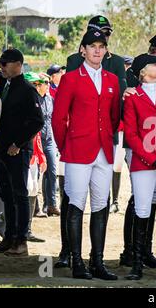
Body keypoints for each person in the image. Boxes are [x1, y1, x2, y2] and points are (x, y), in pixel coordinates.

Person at [55, 15, 127, 269]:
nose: (97, 51)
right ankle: (76, 262)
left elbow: (114, 115)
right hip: (77, 150)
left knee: (100, 204)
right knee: (75, 203)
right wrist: (67, 146)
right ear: (82, 51)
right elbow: (58, 118)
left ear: (105, 51)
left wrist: (108, 140)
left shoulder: (112, 80)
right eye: (92, 47)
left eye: (101, 47)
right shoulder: (70, 78)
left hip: (104, 151)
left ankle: (97, 262)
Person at [118, 33, 156, 269]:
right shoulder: (134, 83)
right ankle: (131, 251)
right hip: (142, 147)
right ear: (153, 51)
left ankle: (145, 250)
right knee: (140, 201)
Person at [0, 48, 44, 257]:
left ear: (18, 64)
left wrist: (18, 143)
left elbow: (37, 121)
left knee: (19, 195)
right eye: (0, 64)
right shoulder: (4, 88)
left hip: (18, 150)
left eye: (4, 63)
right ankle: (9, 238)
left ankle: (21, 240)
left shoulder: (27, 89)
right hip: (2, 147)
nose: (1, 67)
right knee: (6, 194)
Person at [31, 72, 60, 217]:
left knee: (52, 172)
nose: (48, 86)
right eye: (46, 83)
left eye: (49, 83)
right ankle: (35, 207)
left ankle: (51, 205)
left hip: (49, 139)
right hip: (36, 139)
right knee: (36, 173)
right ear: (39, 85)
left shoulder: (50, 99)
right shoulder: (33, 99)